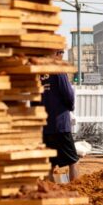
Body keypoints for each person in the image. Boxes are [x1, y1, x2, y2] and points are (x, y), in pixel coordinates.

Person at [41, 52, 78, 182]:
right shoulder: (58, 69)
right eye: (61, 52)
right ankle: (77, 189)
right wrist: (71, 107)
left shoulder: (38, 72)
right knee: (73, 161)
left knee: (49, 164)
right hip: (60, 124)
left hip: (45, 126)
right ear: (55, 53)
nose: (62, 56)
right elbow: (68, 94)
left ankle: (49, 191)